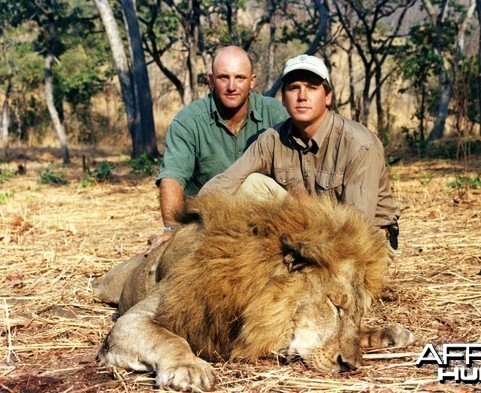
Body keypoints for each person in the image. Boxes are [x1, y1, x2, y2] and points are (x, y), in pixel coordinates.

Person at [94, 46, 288, 304]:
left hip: (263, 219)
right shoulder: (188, 121)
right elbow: (172, 178)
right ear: (210, 80)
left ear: (252, 81)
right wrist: (171, 229)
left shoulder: (277, 114)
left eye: (239, 78)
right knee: (168, 282)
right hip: (209, 222)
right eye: (223, 77)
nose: (231, 86)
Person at [198, 54, 400, 248]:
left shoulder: (359, 143)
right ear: (284, 99)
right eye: (294, 88)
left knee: (337, 267)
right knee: (250, 185)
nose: (302, 96)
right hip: (306, 231)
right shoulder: (272, 138)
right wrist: (188, 223)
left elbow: (356, 228)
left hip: (362, 243)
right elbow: (226, 181)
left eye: (312, 88)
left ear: (327, 96)